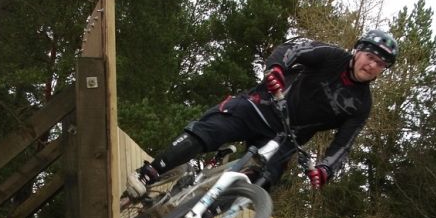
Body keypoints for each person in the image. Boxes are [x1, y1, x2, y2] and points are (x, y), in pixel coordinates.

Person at [126, 29, 398, 198]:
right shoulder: (331, 56)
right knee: (214, 129)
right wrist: (276, 69)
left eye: (380, 63)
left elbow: (343, 144)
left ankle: (206, 216)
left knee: (261, 181)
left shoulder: (362, 105)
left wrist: (325, 169)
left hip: (285, 139)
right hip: (264, 106)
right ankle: (149, 173)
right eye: (370, 56)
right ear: (358, 51)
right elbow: (292, 50)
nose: (372, 65)